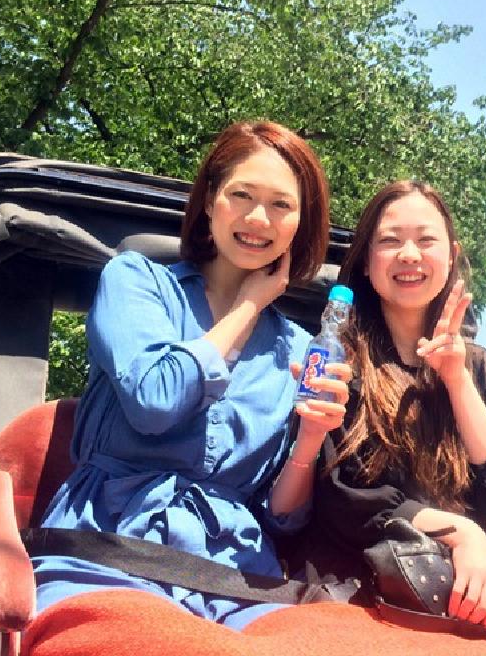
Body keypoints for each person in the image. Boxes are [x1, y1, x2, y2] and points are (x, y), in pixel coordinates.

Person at [31, 119, 350, 630]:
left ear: (299, 223)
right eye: (242, 194)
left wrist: (310, 439)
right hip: (109, 544)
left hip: (234, 573)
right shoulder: (135, 280)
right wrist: (248, 307)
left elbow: (282, 517)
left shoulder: (298, 349)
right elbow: (156, 399)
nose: (258, 218)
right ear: (209, 201)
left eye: (281, 204)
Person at [310, 180, 486, 629]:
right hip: (362, 585)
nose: (409, 254)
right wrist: (461, 532)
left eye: (426, 239)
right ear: (366, 261)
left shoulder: (476, 364)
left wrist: (457, 379)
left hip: (468, 586)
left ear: (451, 256)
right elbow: (345, 498)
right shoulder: (340, 357)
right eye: (390, 241)